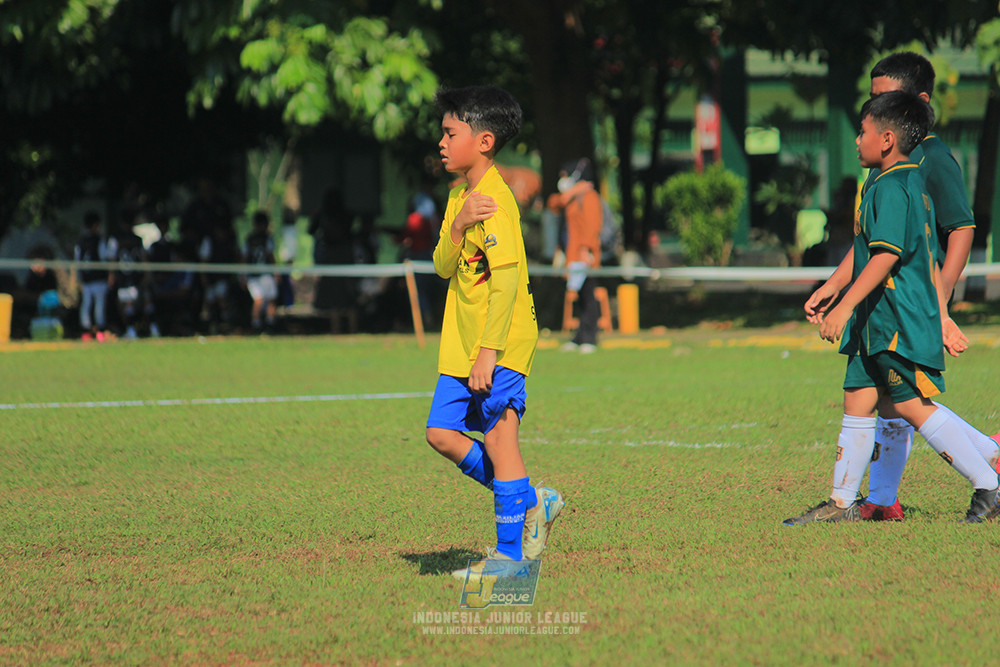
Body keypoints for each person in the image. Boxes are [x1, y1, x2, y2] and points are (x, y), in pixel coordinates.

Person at [785, 91, 1000, 525]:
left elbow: (886, 256)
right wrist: (833, 287)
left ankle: (990, 485)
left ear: (886, 139)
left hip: (897, 317)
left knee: (908, 404)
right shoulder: (888, 182)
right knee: (860, 398)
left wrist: (843, 307)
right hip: (876, 318)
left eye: (862, 132)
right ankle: (846, 502)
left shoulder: (897, 185)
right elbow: (868, 249)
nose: (857, 139)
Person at [423, 86, 565, 578]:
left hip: (499, 344)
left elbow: (505, 284)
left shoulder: (498, 202)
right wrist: (457, 225)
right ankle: (530, 502)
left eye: (450, 132)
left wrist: (489, 352)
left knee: (502, 442)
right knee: (440, 433)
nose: (441, 141)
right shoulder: (461, 198)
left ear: (483, 141)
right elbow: (443, 266)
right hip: (460, 347)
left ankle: (508, 558)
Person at [853, 52, 997, 521]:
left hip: (906, 303)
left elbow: (957, 228)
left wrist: (940, 302)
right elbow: (868, 240)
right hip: (880, 304)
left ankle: (987, 477)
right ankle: (878, 500)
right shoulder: (883, 163)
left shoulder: (929, 159)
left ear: (916, 102)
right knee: (893, 399)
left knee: (909, 399)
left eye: (884, 100)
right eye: (873, 100)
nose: (873, 111)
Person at [548, 158, 603, 353]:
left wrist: (586, 250)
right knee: (579, 296)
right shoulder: (573, 197)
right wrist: (572, 191)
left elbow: (592, 225)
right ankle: (580, 336)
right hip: (572, 255)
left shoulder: (588, 197)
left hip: (584, 255)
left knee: (588, 295)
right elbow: (554, 203)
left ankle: (590, 336)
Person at [106, 210, 148, 339]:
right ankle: (131, 329)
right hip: (133, 276)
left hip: (125, 276)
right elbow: (144, 258)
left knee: (127, 304)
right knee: (127, 303)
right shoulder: (137, 239)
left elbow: (112, 259)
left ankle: (131, 329)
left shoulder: (116, 239)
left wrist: (111, 275)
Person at [74, 210, 110, 341]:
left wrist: (79, 278)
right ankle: (99, 331)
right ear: (96, 225)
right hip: (98, 278)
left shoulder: (80, 242)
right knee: (98, 305)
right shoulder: (99, 240)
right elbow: (104, 258)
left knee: (87, 305)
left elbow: (77, 261)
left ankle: (87, 331)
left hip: (86, 279)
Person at [244, 210, 279, 334]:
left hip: (262, 274)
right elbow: (270, 256)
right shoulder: (264, 239)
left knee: (267, 299)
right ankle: (258, 324)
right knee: (260, 300)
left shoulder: (250, 239)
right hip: (258, 275)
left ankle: (266, 323)